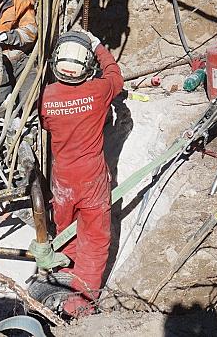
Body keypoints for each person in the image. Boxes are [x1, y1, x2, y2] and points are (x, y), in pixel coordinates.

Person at [39, 28, 124, 317]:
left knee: (66, 233)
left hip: (62, 179)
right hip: (92, 178)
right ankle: (81, 304)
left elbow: (48, 126)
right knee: (96, 239)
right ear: (87, 66)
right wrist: (99, 45)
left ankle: (61, 286)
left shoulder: (47, 96)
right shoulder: (99, 91)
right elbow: (116, 76)